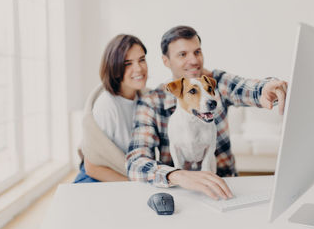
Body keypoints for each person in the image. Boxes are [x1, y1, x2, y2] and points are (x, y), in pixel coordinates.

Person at [126, 26, 287, 199]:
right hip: (178, 190)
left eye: (197, 52)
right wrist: (177, 175)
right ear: (166, 61)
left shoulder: (217, 82)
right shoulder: (151, 102)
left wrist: (268, 88)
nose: (194, 60)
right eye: (182, 54)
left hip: (225, 184)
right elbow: (135, 163)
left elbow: (248, 88)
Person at [74, 34, 148, 183]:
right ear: (115, 68)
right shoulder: (107, 105)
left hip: (127, 175)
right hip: (96, 178)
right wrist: (135, 185)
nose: (139, 68)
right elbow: (92, 167)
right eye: (128, 63)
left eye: (142, 60)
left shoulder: (145, 98)